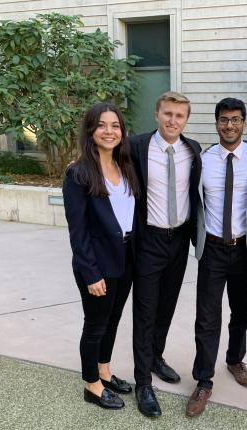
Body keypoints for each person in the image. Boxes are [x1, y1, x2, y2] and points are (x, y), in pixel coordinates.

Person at [186, 98, 247, 417]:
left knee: (240, 312)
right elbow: (193, 203)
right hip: (213, 249)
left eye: (235, 119)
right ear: (216, 123)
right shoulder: (202, 160)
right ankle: (204, 380)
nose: (229, 125)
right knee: (206, 316)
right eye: (223, 120)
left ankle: (234, 359)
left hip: (245, 249)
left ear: (244, 123)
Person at [63, 102, 140, 409]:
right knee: (95, 325)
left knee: (112, 320)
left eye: (115, 126)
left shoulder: (125, 166)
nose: (109, 131)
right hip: (97, 263)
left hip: (125, 258)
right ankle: (91, 385)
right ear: (91, 131)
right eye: (102, 125)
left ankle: (104, 372)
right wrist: (90, 272)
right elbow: (77, 231)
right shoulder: (78, 173)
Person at [129, 91, 202, 418]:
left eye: (180, 116)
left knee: (167, 306)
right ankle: (143, 382)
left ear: (186, 120)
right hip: (149, 241)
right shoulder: (136, 147)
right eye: (168, 114)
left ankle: (156, 356)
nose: (173, 120)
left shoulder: (193, 150)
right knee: (145, 311)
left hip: (179, 240)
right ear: (157, 114)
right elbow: (103, 159)